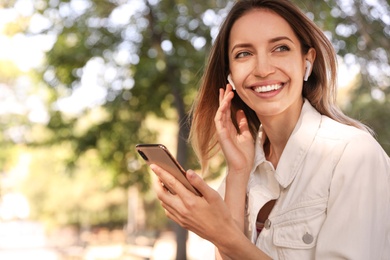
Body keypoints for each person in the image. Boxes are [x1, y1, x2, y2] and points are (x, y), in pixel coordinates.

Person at [150, 0, 390, 259]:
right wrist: (238, 173)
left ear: (307, 60)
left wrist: (222, 235)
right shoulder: (245, 167)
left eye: (280, 48)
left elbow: (231, 245)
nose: (263, 69)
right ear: (229, 74)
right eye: (244, 53)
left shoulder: (353, 154)